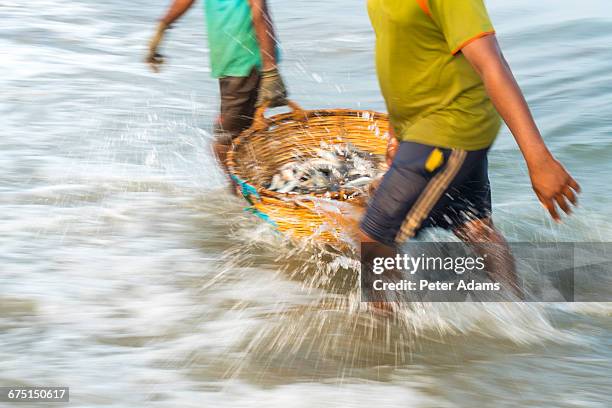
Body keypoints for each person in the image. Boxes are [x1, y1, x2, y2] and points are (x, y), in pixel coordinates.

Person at [359, 0, 581, 295]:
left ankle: (384, 332)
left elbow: (492, 63)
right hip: (433, 125)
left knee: (374, 237)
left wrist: (538, 158)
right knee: (475, 226)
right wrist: (397, 132)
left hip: (450, 130)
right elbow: (406, 54)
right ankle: (517, 315)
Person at [146, 0, 288, 175]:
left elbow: (259, 12)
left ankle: (245, 193)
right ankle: (263, 184)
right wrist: (162, 27)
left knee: (224, 143)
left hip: (245, 63)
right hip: (231, 64)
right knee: (245, 133)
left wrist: (270, 70)